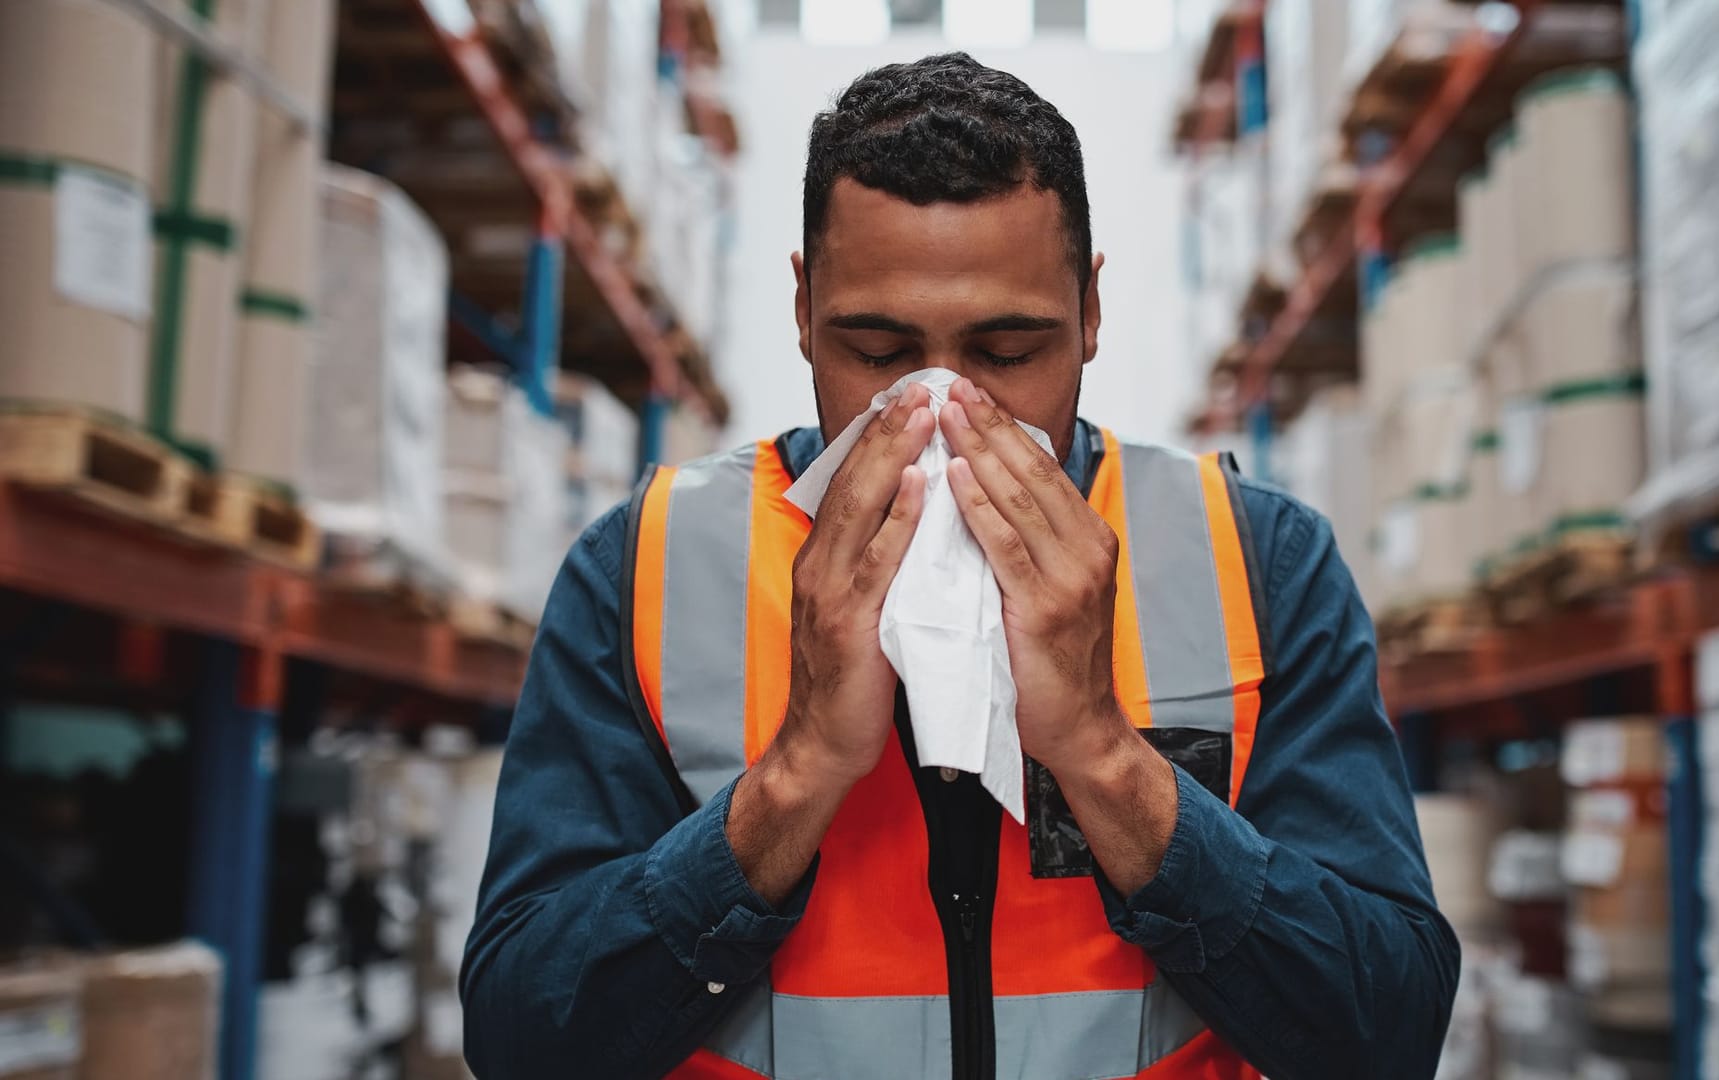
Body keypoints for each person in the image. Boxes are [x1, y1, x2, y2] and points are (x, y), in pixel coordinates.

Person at [461, 52, 1459, 1079]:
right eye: (880, 350)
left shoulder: (1254, 561)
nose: (942, 410)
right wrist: (795, 779)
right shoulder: (647, 571)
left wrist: (1109, 765)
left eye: (1009, 350)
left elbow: (1386, 1033)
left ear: (1092, 314)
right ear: (804, 311)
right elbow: (521, 1038)